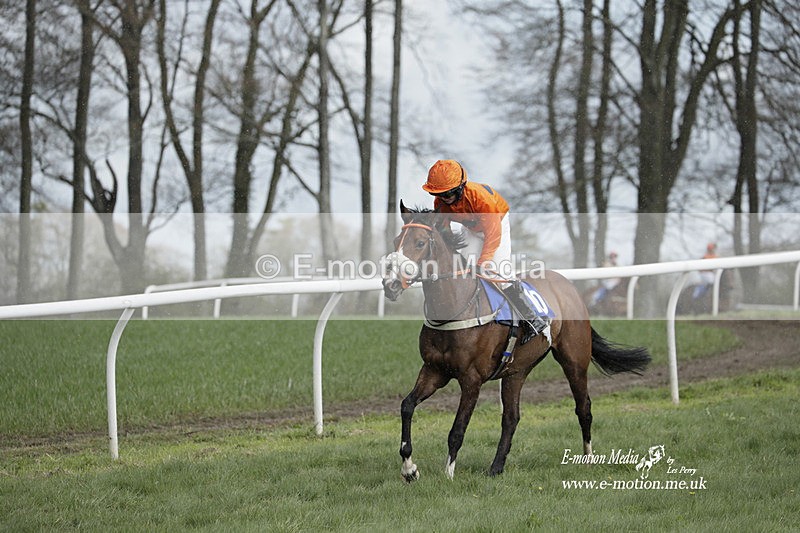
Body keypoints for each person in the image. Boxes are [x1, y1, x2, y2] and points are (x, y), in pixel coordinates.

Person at [422, 159, 547, 335]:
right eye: (440, 193)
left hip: (496, 225)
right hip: (472, 229)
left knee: (499, 273)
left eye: (449, 192)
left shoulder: (481, 198)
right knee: (464, 270)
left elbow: (493, 233)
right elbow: (445, 233)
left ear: (460, 186)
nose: (445, 198)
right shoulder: (440, 203)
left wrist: (485, 260)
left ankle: (532, 319)